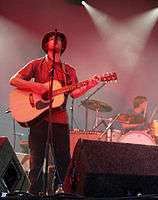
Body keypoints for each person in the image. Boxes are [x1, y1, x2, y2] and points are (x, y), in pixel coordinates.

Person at [9, 31, 99, 195]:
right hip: (38, 120)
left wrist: (90, 85)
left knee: (63, 160)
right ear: (45, 44)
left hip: (60, 121)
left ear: (63, 46)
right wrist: (38, 87)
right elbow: (14, 80)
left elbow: (75, 93)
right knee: (36, 161)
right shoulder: (36, 64)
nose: (56, 41)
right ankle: (33, 193)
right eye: (52, 39)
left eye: (59, 40)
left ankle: (65, 192)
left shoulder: (69, 70)